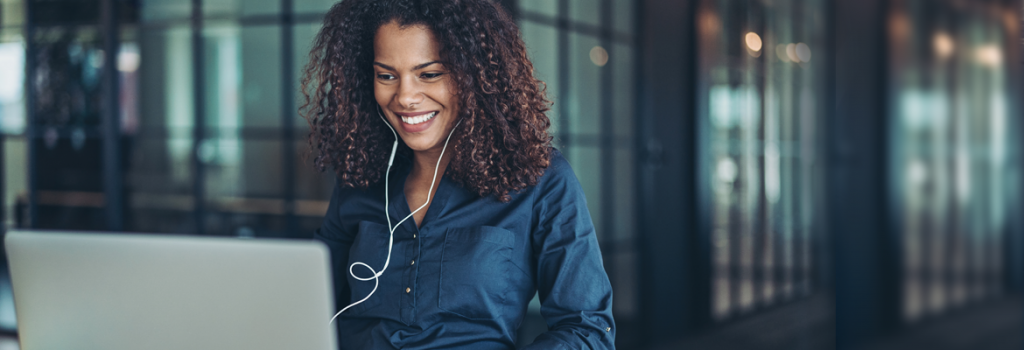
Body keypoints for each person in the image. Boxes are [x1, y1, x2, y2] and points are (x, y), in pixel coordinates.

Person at [301, 0, 614, 349]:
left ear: (475, 75)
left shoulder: (540, 179)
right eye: (387, 75)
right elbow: (306, 304)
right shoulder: (361, 176)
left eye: (430, 74)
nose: (405, 97)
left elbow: (587, 331)